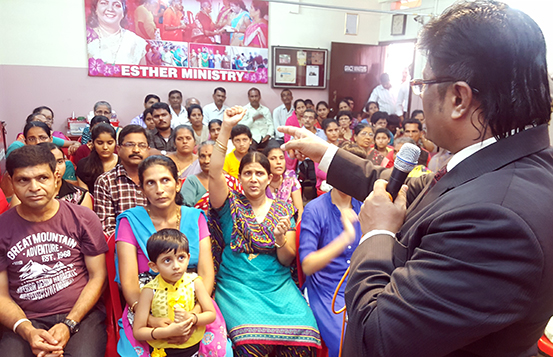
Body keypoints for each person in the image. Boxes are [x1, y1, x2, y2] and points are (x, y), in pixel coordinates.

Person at [279, 1, 553, 355]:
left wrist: (377, 233)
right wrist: (325, 153)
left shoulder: (497, 220)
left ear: (458, 97)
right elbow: (408, 190)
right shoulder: (504, 163)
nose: (420, 95)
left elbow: (378, 337)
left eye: (423, 83)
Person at [209, 106, 321, 355]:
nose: (253, 178)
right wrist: (226, 127)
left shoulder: (283, 208)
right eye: (247, 173)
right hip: (238, 285)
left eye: (259, 173)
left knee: (306, 338)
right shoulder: (229, 204)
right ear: (239, 178)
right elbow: (215, 172)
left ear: (269, 178)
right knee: (251, 345)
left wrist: (281, 239)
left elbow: (287, 258)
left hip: (276, 285)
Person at [0, 145, 107, 356]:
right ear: (10, 183)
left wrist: (69, 323)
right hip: (24, 317)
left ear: (56, 180)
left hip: (81, 315)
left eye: (42, 178)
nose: (34, 187)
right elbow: (1, 295)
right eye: (23, 180)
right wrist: (27, 330)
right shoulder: (2, 228)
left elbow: (98, 276)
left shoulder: (84, 218)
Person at [115, 155, 224, 357]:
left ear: (178, 184)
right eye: (150, 183)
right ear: (142, 189)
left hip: (195, 303)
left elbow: (206, 273)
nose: (159, 189)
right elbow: (128, 281)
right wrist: (150, 319)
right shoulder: (129, 221)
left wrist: (195, 314)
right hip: (145, 305)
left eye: (165, 180)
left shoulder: (195, 217)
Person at [299, 144, 365, 357]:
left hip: (361, 287)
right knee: (344, 345)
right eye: (343, 170)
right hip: (326, 290)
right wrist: (345, 237)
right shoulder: (315, 209)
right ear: (332, 172)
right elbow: (308, 265)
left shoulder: (363, 206)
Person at [133, 229, 216, 357]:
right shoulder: (149, 291)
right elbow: (138, 331)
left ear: (188, 258)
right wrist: (165, 332)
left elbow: (211, 314)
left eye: (181, 257)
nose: (176, 266)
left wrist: (193, 318)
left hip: (192, 346)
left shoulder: (195, 282)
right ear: (154, 266)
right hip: (162, 350)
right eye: (167, 260)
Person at [95, 125, 149, 235]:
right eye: (130, 145)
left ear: (148, 150)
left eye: (142, 146)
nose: (136, 150)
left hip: (159, 245)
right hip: (121, 245)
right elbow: (106, 228)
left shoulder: (157, 178)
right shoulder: (106, 181)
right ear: (118, 149)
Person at [10, 143, 93, 210]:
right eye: (50, 163)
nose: (56, 168)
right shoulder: (23, 196)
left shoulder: (80, 196)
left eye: (60, 162)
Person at [7, 122, 79, 184]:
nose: (38, 142)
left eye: (42, 138)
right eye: (31, 139)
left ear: (51, 139)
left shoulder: (64, 166)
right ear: (25, 142)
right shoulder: (21, 167)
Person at [181, 141, 241, 212]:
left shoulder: (230, 181)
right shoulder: (192, 181)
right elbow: (185, 210)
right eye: (202, 156)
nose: (206, 161)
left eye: (211, 156)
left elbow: (240, 208)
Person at [87, 0, 147, 65]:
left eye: (116, 5)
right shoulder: (84, 37)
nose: (110, 9)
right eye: (104, 3)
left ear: (123, 12)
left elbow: (143, 73)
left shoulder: (136, 42)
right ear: (96, 9)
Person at [76, 123, 119, 194]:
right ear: (92, 143)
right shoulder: (83, 165)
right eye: (100, 143)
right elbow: (85, 196)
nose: (105, 147)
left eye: (110, 143)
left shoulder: (123, 163)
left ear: (115, 143)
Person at [263, 145, 303, 220]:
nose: (278, 162)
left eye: (281, 158)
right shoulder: (261, 181)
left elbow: (299, 211)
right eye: (273, 159)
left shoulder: (291, 179)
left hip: (290, 225)